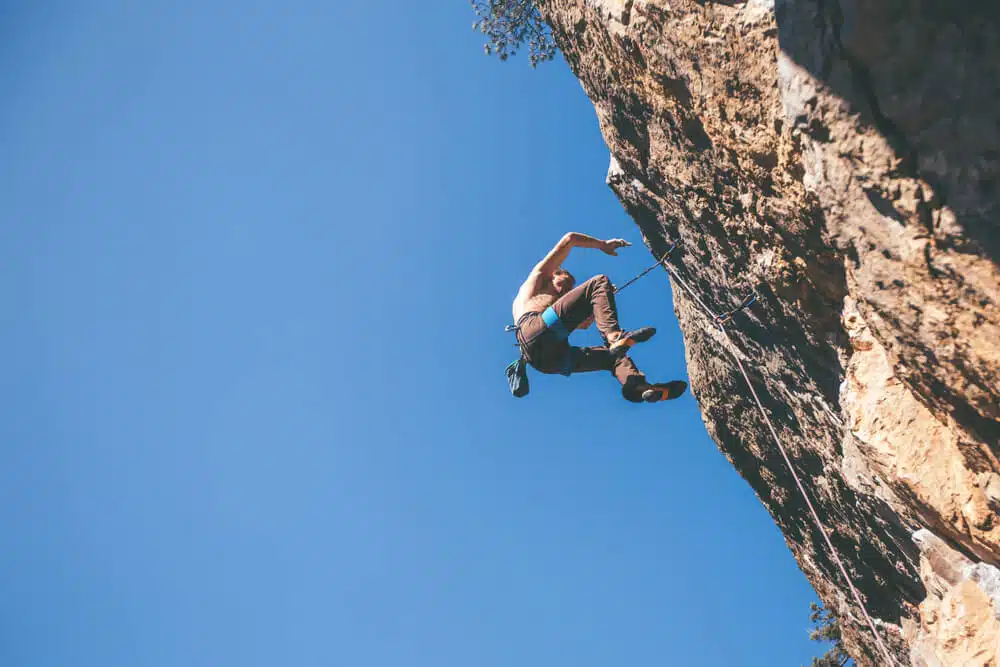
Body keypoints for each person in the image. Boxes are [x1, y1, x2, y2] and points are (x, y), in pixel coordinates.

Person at [511, 232, 688, 403]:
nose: (567, 291)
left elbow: (585, 323)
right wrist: (603, 245)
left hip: (548, 361)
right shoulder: (538, 278)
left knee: (613, 356)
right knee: (598, 282)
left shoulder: (554, 309)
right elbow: (570, 238)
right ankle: (615, 337)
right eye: (566, 282)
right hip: (532, 328)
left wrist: (602, 299)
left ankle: (638, 387)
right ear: (554, 273)